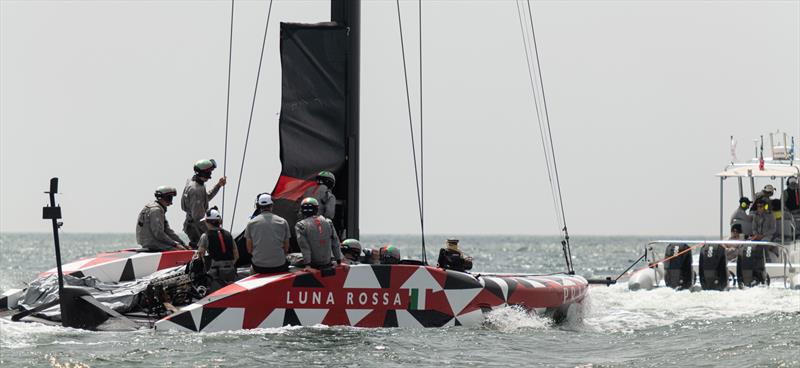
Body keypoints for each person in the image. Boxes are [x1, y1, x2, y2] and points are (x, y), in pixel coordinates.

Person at [182, 159, 227, 249]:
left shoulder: (196, 183)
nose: (210, 176)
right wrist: (213, 232)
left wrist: (218, 185)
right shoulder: (195, 190)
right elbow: (198, 218)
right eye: (209, 173)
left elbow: (207, 197)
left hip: (193, 224)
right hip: (195, 228)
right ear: (203, 173)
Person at [245, 193, 291, 273]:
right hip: (279, 265)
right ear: (271, 205)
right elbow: (286, 248)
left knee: (251, 271)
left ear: (258, 206)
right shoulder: (283, 222)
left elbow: (249, 250)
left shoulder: (251, 223)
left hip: (259, 266)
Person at [196, 206, 238, 288]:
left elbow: (200, 256)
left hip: (215, 272)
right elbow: (236, 256)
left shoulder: (205, 236)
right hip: (230, 271)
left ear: (207, 222)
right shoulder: (228, 235)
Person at [136, 186, 189, 251]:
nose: (171, 202)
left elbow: (168, 231)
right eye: (170, 198)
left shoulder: (156, 208)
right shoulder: (156, 210)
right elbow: (158, 233)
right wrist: (175, 244)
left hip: (151, 242)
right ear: (164, 197)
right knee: (181, 251)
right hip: (153, 244)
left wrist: (182, 243)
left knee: (183, 248)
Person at [295, 197, 341, 269]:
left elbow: (304, 246)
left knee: (290, 257)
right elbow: (335, 242)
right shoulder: (328, 222)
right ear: (316, 209)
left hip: (313, 264)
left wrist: (308, 265)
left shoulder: (300, 225)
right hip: (327, 262)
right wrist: (338, 261)